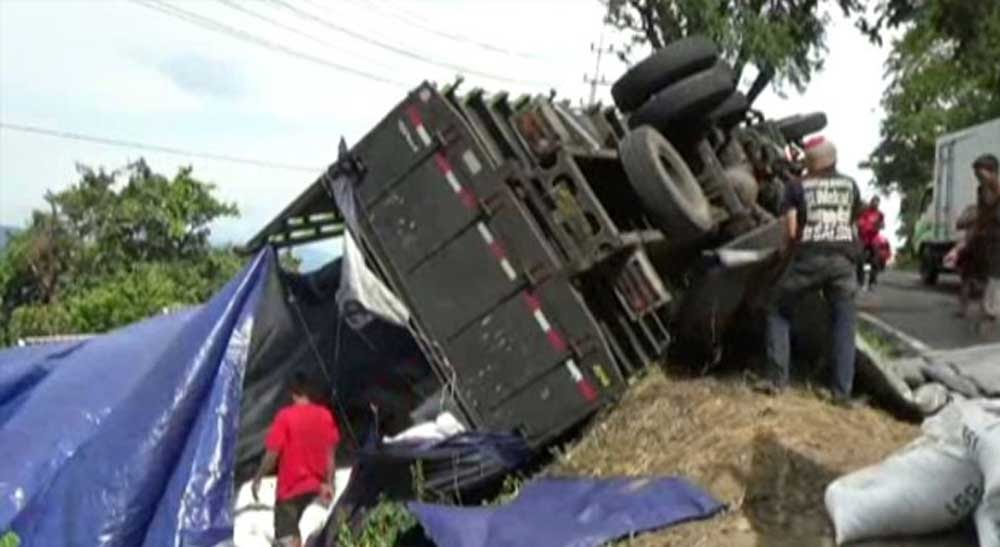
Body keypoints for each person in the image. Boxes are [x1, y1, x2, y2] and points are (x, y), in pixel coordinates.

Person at [761, 136, 862, 407]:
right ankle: (842, 393)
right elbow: (852, 227)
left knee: (778, 308)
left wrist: (782, 262)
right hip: (844, 261)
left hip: (811, 258)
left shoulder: (796, 187)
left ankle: (776, 381)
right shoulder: (851, 185)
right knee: (844, 323)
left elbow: (792, 232)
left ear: (809, 162)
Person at [252, 372, 340, 547]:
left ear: (292, 393)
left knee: (288, 537)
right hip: (318, 489)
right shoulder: (325, 415)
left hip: (290, 492)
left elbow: (272, 454)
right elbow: (330, 455)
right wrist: (329, 483)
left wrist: (258, 478)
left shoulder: (285, 417)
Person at [972, 153, 1000, 330]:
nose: (978, 178)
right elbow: (982, 212)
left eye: (981, 174)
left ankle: (992, 308)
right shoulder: (981, 191)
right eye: (976, 175)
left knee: (996, 272)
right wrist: (978, 228)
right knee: (992, 270)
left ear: (992, 172)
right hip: (991, 234)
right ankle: (990, 307)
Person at [856, 196, 886, 289]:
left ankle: (872, 281)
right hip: (863, 238)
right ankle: (860, 280)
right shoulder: (864, 212)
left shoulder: (880, 214)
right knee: (860, 259)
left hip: (874, 239)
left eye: (877, 202)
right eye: (874, 202)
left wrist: (879, 225)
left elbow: (882, 225)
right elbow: (858, 222)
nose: (875, 204)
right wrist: (860, 224)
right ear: (871, 202)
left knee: (875, 261)